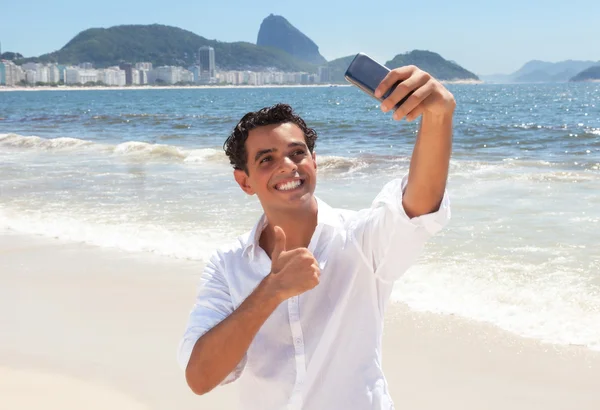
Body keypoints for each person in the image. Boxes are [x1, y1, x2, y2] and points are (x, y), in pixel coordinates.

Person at [177, 65, 455, 410]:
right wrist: (271, 290)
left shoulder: (358, 238)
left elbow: (418, 208)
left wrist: (439, 117)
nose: (288, 166)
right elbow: (201, 377)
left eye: (298, 153)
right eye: (266, 159)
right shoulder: (228, 264)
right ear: (244, 182)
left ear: (315, 162)